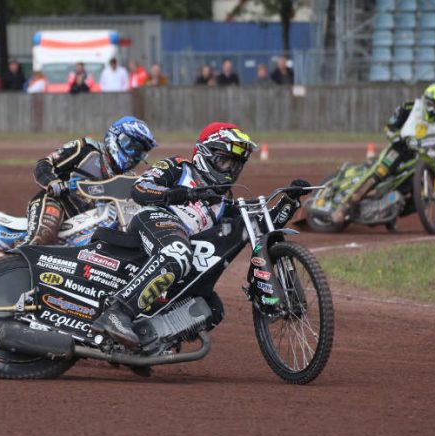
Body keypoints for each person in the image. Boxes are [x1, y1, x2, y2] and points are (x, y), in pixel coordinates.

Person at [91, 122, 309, 347]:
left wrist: (288, 202)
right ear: (205, 154)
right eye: (224, 161)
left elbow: (258, 226)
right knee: (178, 252)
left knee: (211, 307)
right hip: (150, 222)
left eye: (236, 166)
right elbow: (139, 188)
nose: (230, 171)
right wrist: (171, 194)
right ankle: (117, 313)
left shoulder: (224, 201)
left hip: (177, 249)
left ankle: (147, 344)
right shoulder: (179, 167)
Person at [330, 82, 435, 224]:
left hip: (425, 158)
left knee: (418, 194)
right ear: (425, 100)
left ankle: (391, 213)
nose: (433, 108)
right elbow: (390, 127)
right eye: (431, 103)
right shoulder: (409, 108)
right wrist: (397, 137)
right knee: (380, 172)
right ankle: (345, 207)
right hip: (400, 149)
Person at [24, 116, 158, 245]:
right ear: (116, 137)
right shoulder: (86, 149)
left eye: (140, 153)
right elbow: (44, 164)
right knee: (42, 237)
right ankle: (19, 256)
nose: (135, 156)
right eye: (132, 147)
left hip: (88, 222)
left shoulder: (128, 178)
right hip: (58, 204)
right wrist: (53, 183)